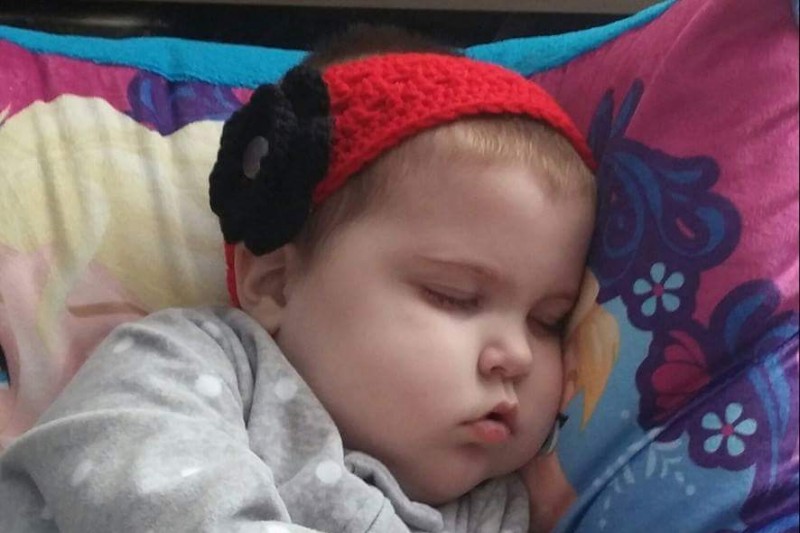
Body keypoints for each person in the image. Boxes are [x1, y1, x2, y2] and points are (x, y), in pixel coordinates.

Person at [0, 25, 596, 532]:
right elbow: (150, 495)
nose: (517, 355)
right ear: (276, 283)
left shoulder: (497, 509)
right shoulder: (183, 365)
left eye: (549, 321)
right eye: (454, 296)